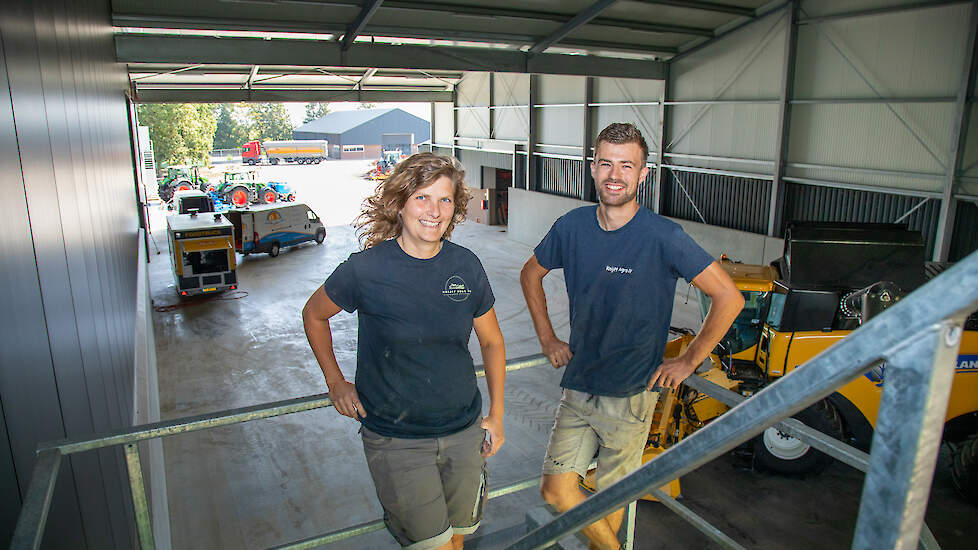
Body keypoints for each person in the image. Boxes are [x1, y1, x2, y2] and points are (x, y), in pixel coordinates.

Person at [520, 123, 744, 550]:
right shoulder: (571, 226)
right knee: (556, 491)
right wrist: (547, 337)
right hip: (579, 381)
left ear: (644, 175)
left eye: (627, 165)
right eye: (606, 163)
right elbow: (531, 274)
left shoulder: (664, 236)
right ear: (592, 168)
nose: (615, 174)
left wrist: (689, 359)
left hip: (632, 392)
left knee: (609, 501)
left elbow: (729, 297)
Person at [302, 152, 506, 550]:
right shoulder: (366, 270)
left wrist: (496, 415)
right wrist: (335, 381)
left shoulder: (466, 266)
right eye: (422, 198)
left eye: (445, 199)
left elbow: (492, 341)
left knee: (458, 540)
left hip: (463, 432)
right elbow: (313, 315)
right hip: (398, 441)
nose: (434, 211)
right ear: (400, 204)